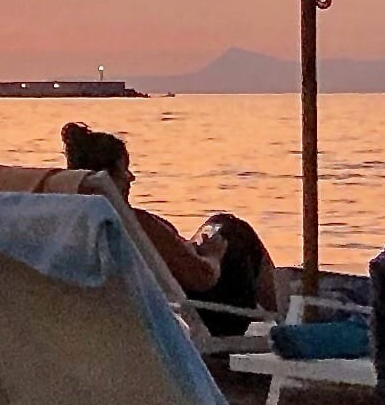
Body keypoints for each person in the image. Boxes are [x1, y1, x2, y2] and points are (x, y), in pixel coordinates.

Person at [58, 121, 278, 327]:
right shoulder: (132, 222)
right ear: (107, 177)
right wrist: (213, 254)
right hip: (194, 320)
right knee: (232, 228)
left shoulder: (67, 225)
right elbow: (202, 278)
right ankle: (284, 320)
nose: (131, 177)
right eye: (124, 169)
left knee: (218, 226)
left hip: (116, 322)